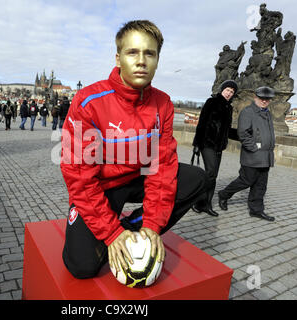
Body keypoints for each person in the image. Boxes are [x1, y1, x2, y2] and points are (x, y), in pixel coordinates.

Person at [60, 20, 208, 279]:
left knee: (196, 179)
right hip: (101, 186)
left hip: (136, 178)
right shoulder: (88, 101)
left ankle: (134, 227)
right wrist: (110, 233)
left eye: (149, 53)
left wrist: (152, 224)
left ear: (157, 59)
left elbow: (162, 167)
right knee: (81, 267)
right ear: (118, 59)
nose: (141, 61)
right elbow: (80, 178)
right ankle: (111, 227)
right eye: (133, 53)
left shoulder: (163, 104)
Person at [218, 86, 276, 222]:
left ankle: (256, 210)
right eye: (262, 98)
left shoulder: (268, 113)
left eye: (267, 99)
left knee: (261, 184)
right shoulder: (248, 112)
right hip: (253, 155)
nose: (264, 101)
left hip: (266, 156)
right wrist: (254, 148)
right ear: (256, 97)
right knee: (246, 180)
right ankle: (224, 194)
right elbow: (243, 134)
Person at [191, 80, 239, 217]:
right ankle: (200, 203)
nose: (229, 93)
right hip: (207, 144)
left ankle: (204, 204)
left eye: (232, 92)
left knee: (212, 175)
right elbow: (201, 123)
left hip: (219, 146)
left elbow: (227, 130)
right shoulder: (211, 102)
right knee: (211, 173)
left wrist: (243, 136)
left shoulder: (229, 108)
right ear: (222, 90)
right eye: (227, 90)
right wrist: (197, 144)